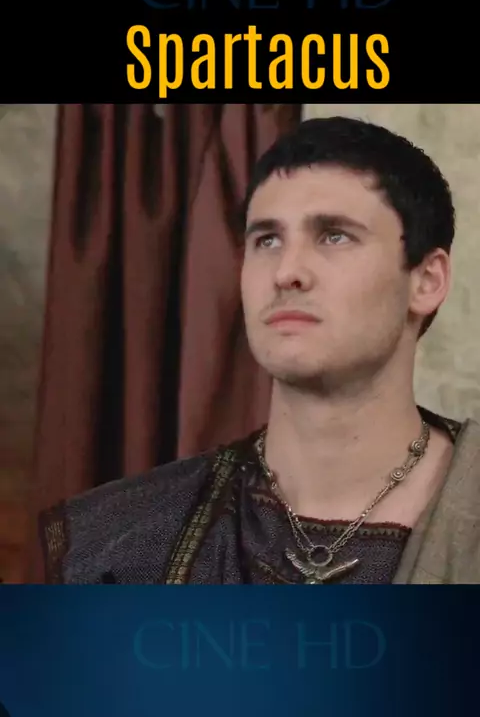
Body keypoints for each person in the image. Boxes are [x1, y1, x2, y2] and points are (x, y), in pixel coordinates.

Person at [39, 116, 480, 585]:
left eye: (335, 235)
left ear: (426, 281)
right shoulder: (118, 545)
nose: (286, 272)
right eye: (267, 240)